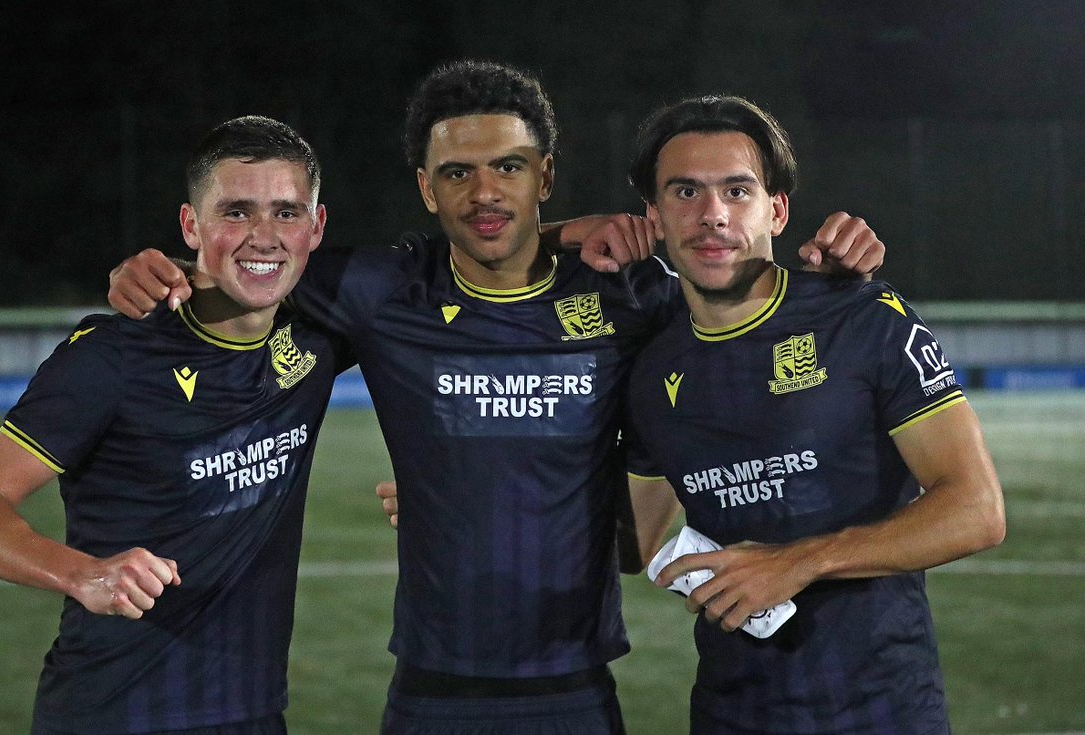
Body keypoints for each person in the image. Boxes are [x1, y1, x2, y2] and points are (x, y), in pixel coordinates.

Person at [108, 61, 884, 734]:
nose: (485, 192)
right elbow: (254, 266)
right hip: (431, 691)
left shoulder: (628, 292)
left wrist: (823, 268)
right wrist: (161, 271)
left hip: (575, 686)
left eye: (510, 168)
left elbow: (743, 306)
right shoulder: (383, 292)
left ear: (545, 175)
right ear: (424, 186)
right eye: (457, 173)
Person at [0, 116, 349, 734]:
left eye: (286, 213)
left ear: (315, 226)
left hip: (254, 713)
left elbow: (479, 275)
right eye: (235, 212)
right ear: (191, 224)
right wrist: (85, 573)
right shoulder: (112, 356)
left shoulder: (320, 333)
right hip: (114, 712)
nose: (263, 236)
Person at [619, 95, 1006, 733]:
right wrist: (472, 493)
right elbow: (627, 544)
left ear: (777, 210)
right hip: (730, 711)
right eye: (685, 191)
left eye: (736, 191)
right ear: (654, 216)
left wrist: (797, 562)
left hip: (882, 711)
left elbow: (977, 510)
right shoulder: (651, 366)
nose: (711, 215)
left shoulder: (861, 317)